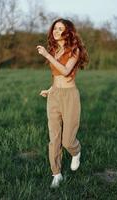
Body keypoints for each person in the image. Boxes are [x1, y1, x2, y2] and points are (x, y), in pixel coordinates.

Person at [36, 18, 89, 188]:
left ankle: (76, 150)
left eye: (61, 29)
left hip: (70, 96)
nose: (56, 31)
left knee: (67, 141)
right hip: (55, 96)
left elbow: (66, 71)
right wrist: (50, 90)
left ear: (68, 32)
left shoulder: (75, 50)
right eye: (55, 28)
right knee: (54, 138)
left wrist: (46, 55)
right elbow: (56, 75)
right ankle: (56, 173)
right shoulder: (55, 50)